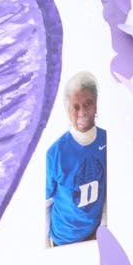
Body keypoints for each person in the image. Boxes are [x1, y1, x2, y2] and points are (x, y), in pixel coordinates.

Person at [43, 71, 106, 246]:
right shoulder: (55, 153)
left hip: (95, 235)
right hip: (63, 239)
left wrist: (104, 227)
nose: (83, 112)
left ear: (96, 104)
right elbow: (46, 202)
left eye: (88, 104)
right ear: (67, 110)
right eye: (75, 107)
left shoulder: (108, 141)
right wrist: (46, 245)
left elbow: (109, 189)